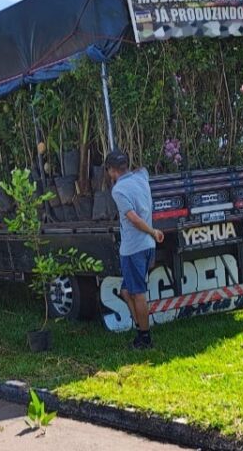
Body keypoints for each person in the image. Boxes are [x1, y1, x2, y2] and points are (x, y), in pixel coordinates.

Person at [105, 150, 163, 350]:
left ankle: (145, 338)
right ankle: (140, 328)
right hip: (147, 247)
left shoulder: (118, 190)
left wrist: (153, 231)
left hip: (133, 248)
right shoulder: (142, 177)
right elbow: (142, 169)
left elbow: (134, 219)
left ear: (112, 170)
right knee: (126, 291)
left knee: (137, 293)